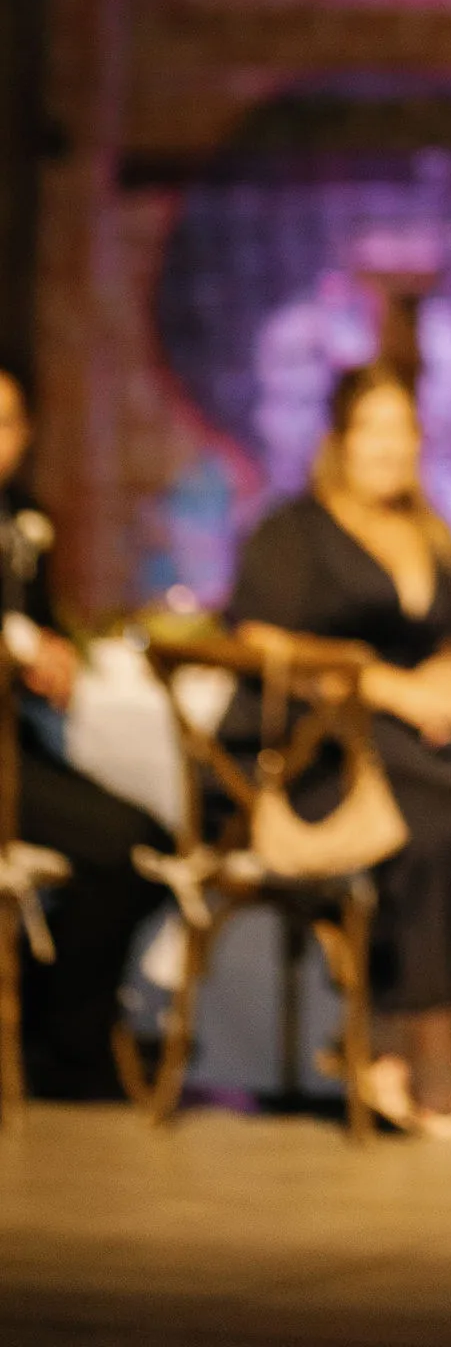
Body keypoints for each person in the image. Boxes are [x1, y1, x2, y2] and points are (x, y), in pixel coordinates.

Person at [225, 360, 451, 1133]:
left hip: (405, 754)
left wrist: (446, 685)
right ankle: (427, 1066)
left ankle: (385, 1043)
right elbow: (257, 638)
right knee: (442, 837)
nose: (390, 447)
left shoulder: (429, 532)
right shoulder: (294, 530)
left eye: (403, 430)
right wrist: (387, 690)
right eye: (373, 430)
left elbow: (449, 644)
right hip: (312, 757)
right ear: (340, 440)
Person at [0, 368, 170, 1099]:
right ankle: (66, 1046)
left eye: (6, 422)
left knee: (141, 844)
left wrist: (50, 644)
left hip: (16, 750)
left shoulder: (24, 518)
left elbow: (35, 630)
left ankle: (65, 1035)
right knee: (118, 850)